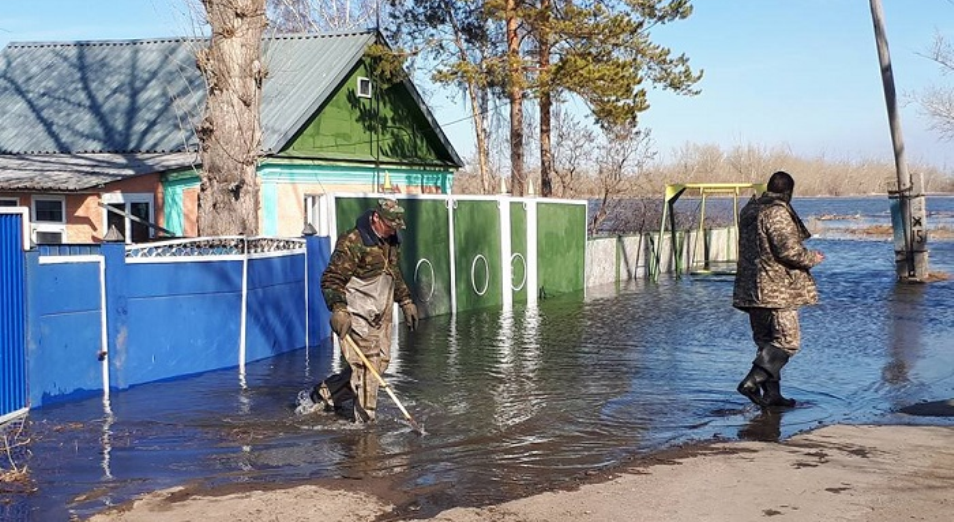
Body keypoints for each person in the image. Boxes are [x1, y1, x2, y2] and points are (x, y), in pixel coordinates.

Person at [296, 198, 419, 422]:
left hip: (379, 311)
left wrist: (406, 300)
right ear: (376, 218)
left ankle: (325, 395)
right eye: (390, 225)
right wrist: (339, 309)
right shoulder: (352, 241)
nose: (393, 231)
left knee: (380, 363)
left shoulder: (391, 240)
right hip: (356, 311)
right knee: (368, 366)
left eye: (396, 227)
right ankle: (365, 425)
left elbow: (393, 272)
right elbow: (331, 279)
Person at [733, 171, 824, 408]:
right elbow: (788, 251)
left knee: (765, 342)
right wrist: (812, 257)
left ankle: (772, 395)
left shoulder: (749, 210)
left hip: (750, 289)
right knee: (787, 341)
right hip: (776, 289)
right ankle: (751, 382)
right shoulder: (776, 211)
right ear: (788, 192)